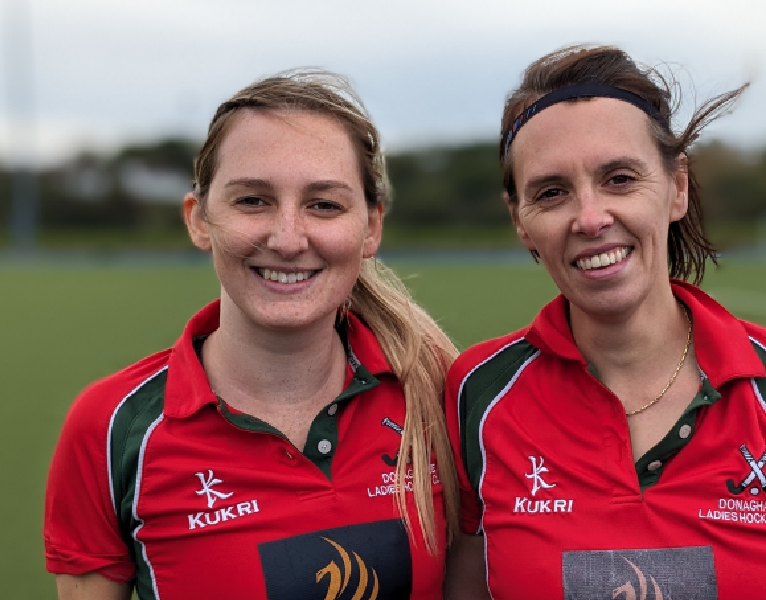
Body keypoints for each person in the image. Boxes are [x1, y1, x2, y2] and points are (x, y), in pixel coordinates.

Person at [444, 45, 766, 600]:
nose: (590, 218)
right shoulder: (477, 390)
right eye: (551, 192)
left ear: (677, 187)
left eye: (619, 178)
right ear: (520, 220)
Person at [44, 69, 459, 600]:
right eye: (252, 201)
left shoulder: (440, 397)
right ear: (199, 220)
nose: (287, 239)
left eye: (324, 204)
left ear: (371, 227)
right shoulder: (110, 428)